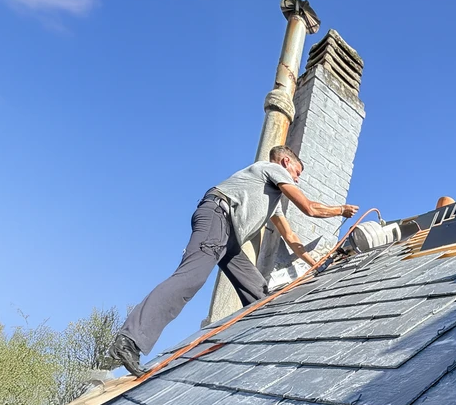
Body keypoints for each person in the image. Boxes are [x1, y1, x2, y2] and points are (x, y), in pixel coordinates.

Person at [109, 145, 358, 376]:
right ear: (285, 162)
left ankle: (266, 348)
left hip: (230, 238)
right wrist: (340, 210)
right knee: (191, 277)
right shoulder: (271, 169)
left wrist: (315, 262)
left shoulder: (273, 199)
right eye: (297, 172)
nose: (297, 178)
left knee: (259, 293)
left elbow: (291, 237)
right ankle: (130, 340)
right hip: (218, 217)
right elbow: (309, 208)